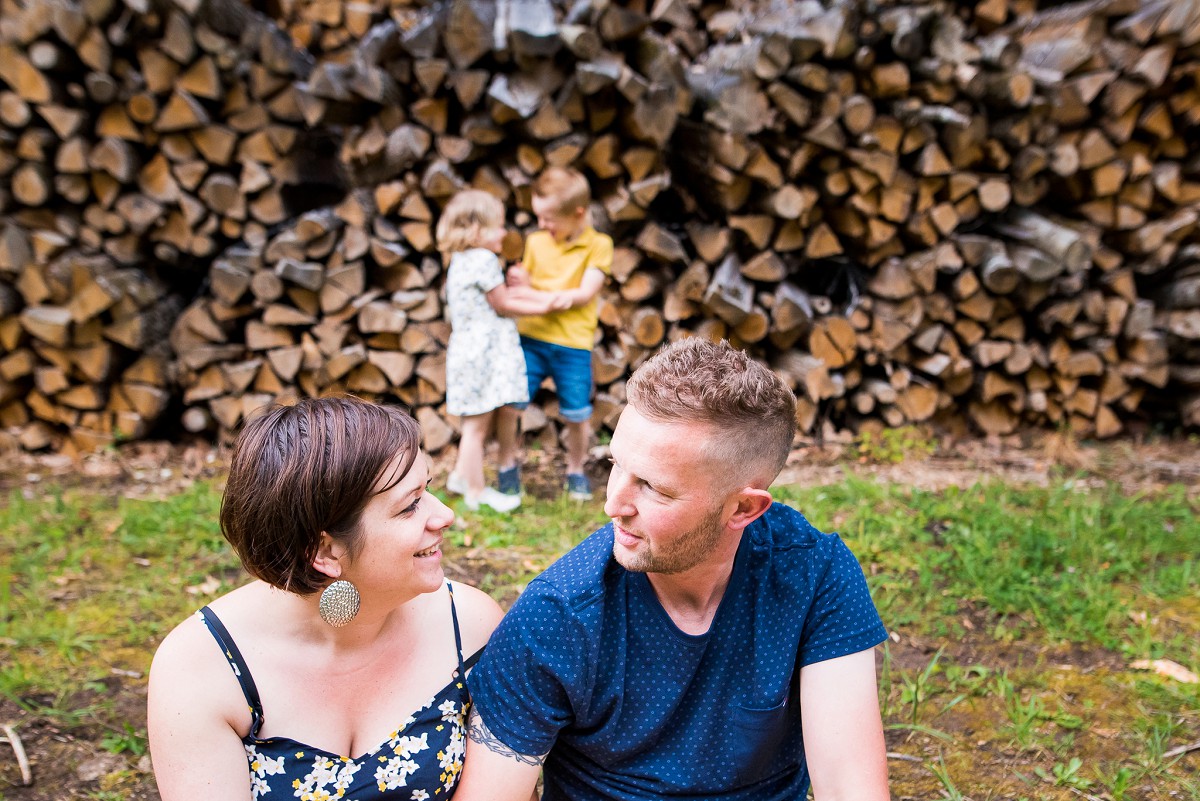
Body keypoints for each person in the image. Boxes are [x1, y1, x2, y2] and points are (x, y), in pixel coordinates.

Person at [456, 338, 891, 801]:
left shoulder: (813, 575)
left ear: (743, 507)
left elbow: (850, 786)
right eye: (615, 464)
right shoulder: (558, 615)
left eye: (654, 488)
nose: (613, 503)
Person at [147, 396, 504, 800]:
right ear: (325, 553)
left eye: (429, 488)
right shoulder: (202, 668)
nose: (444, 516)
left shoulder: (472, 628)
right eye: (410, 505)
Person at [437, 189, 570, 513]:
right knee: (476, 426)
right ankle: (476, 491)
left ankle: (459, 477)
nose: (504, 233)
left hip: (471, 350)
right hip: (482, 353)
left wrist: (542, 299)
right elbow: (505, 302)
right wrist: (546, 304)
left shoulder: (462, 259)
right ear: (476, 229)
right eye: (497, 226)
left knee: (477, 419)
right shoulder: (482, 259)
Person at [496, 166, 613, 501]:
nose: (543, 226)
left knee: (577, 412)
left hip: (572, 344)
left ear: (577, 214)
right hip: (530, 338)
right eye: (539, 217)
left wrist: (538, 297)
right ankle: (506, 463)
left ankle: (576, 470)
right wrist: (529, 289)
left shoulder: (599, 245)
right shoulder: (535, 242)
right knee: (511, 404)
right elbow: (532, 290)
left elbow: (582, 294)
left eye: (549, 218)